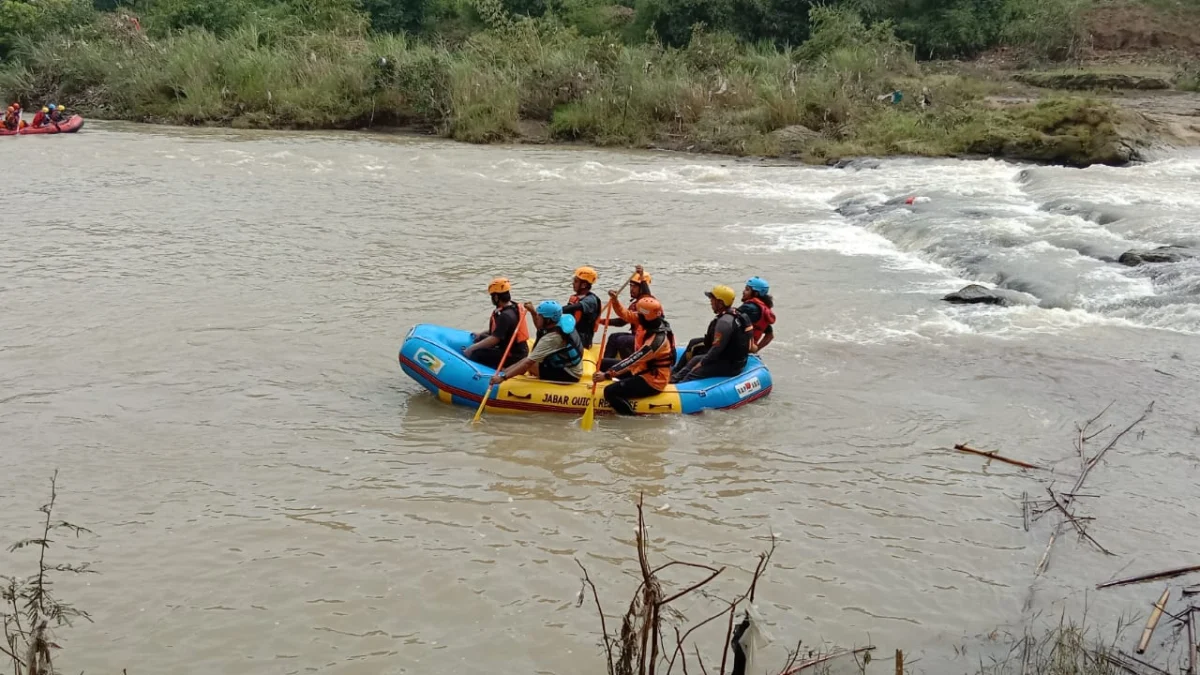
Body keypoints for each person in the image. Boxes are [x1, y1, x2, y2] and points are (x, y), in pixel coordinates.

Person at [592, 297, 676, 415]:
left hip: (652, 380)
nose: (637, 315)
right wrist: (615, 300)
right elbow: (625, 314)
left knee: (609, 392)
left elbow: (633, 360)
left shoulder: (656, 341)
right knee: (602, 363)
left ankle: (631, 419)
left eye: (640, 314)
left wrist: (607, 375)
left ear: (646, 316)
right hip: (640, 369)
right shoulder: (649, 321)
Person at [490, 300, 584, 386]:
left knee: (531, 364)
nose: (537, 317)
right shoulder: (559, 321)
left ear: (548, 320)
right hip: (572, 366)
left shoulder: (552, 338)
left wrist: (503, 378)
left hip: (569, 374)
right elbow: (540, 327)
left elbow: (528, 363)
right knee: (529, 359)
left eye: (540, 316)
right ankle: (505, 371)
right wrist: (533, 312)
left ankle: (504, 375)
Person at [670, 285, 751, 383]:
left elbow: (717, 349)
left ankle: (679, 386)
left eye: (712, 299)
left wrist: (702, 363)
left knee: (694, 371)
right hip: (734, 360)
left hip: (731, 365)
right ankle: (673, 378)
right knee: (695, 358)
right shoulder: (737, 314)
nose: (710, 302)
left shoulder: (724, 322)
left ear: (720, 303)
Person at [464, 277, 530, 369]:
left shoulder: (505, 316)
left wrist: (472, 348)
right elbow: (502, 329)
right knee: (481, 338)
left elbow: (494, 339)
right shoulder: (513, 307)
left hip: (513, 355)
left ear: (496, 297)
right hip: (517, 349)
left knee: (477, 353)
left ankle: (493, 369)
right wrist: (481, 334)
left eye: (492, 296)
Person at [599, 268, 657, 360]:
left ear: (642, 288)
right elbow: (622, 321)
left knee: (622, 340)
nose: (631, 289)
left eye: (635, 287)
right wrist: (601, 321)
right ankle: (605, 363)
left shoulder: (649, 304)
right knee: (613, 337)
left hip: (647, 339)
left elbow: (625, 315)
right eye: (631, 286)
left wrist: (615, 301)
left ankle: (628, 367)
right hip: (637, 336)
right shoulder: (635, 304)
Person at [561, 266, 602, 349]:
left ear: (583, 285)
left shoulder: (590, 300)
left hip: (583, 339)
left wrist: (556, 310)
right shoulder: (576, 297)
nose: (573, 283)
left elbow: (575, 307)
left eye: (576, 281)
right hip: (573, 333)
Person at [738, 276, 776, 354]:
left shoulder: (748, 308)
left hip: (737, 350)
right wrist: (756, 349)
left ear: (755, 293)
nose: (743, 291)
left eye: (747, 289)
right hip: (747, 351)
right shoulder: (763, 309)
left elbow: (728, 321)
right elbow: (770, 336)